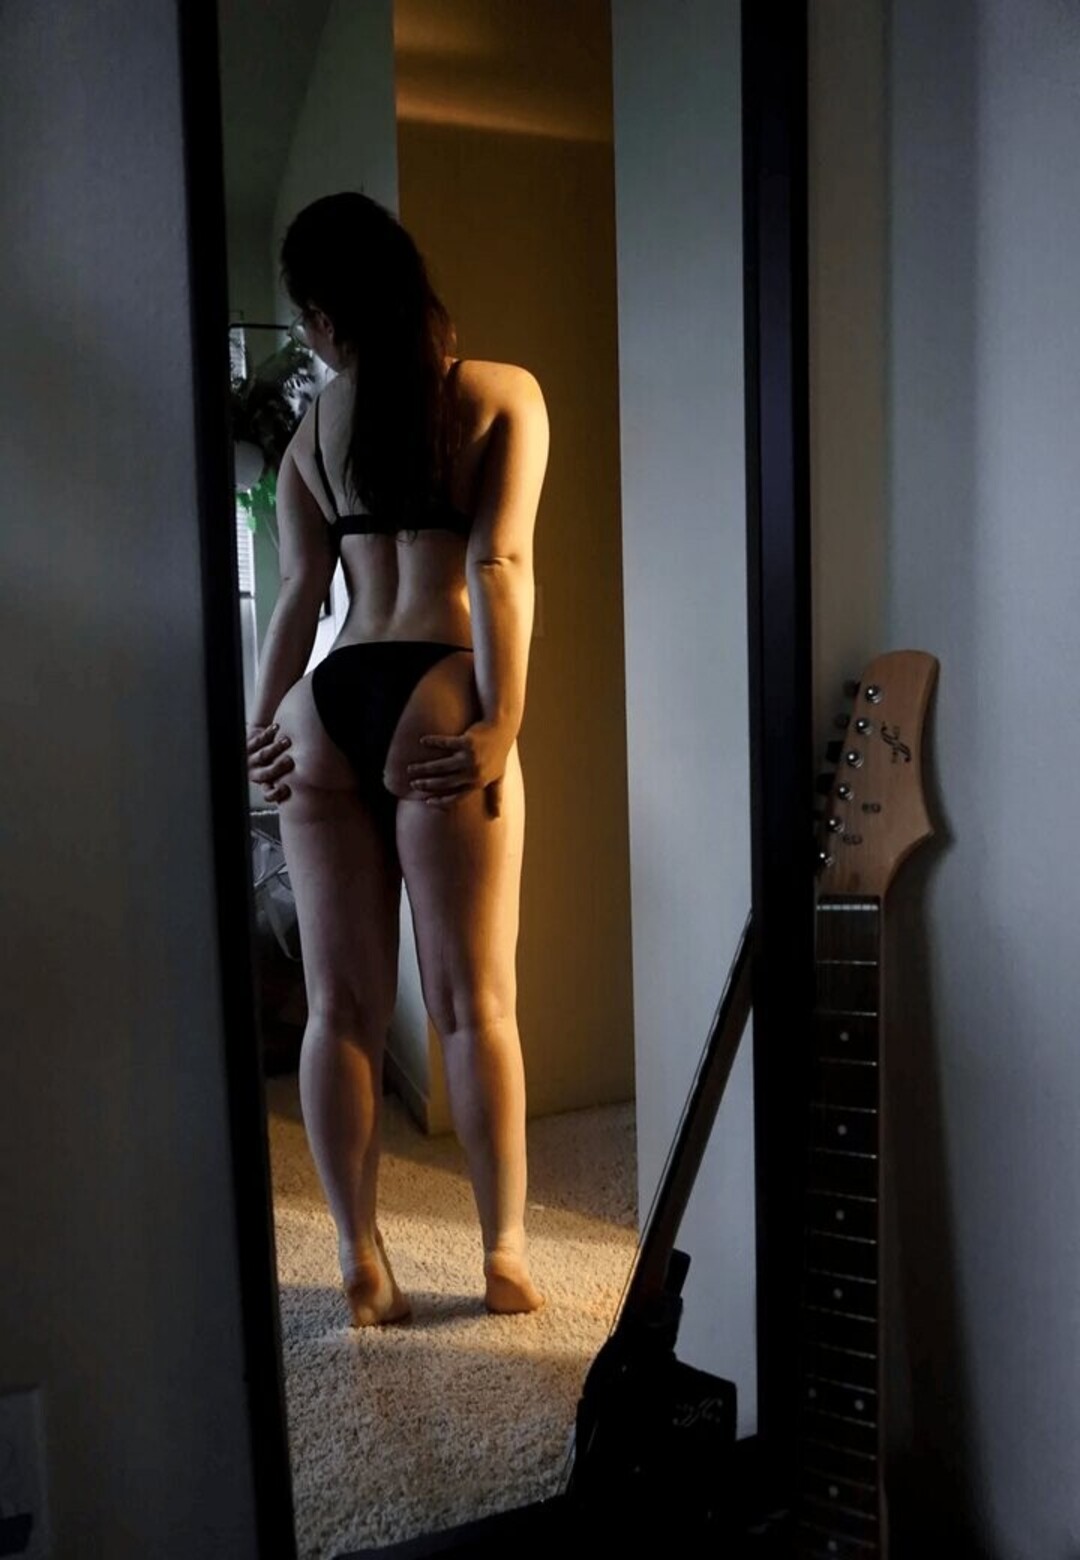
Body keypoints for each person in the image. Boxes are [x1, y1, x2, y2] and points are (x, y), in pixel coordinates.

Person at [244, 191, 549, 1325]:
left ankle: (361, 1262)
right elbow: (498, 565)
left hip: (329, 705)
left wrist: (263, 723)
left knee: (340, 1009)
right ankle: (505, 1257)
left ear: (326, 316)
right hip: (438, 689)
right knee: (473, 1003)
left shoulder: (311, 436)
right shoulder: (501, 395)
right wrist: (501, 720)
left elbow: (300, 596)